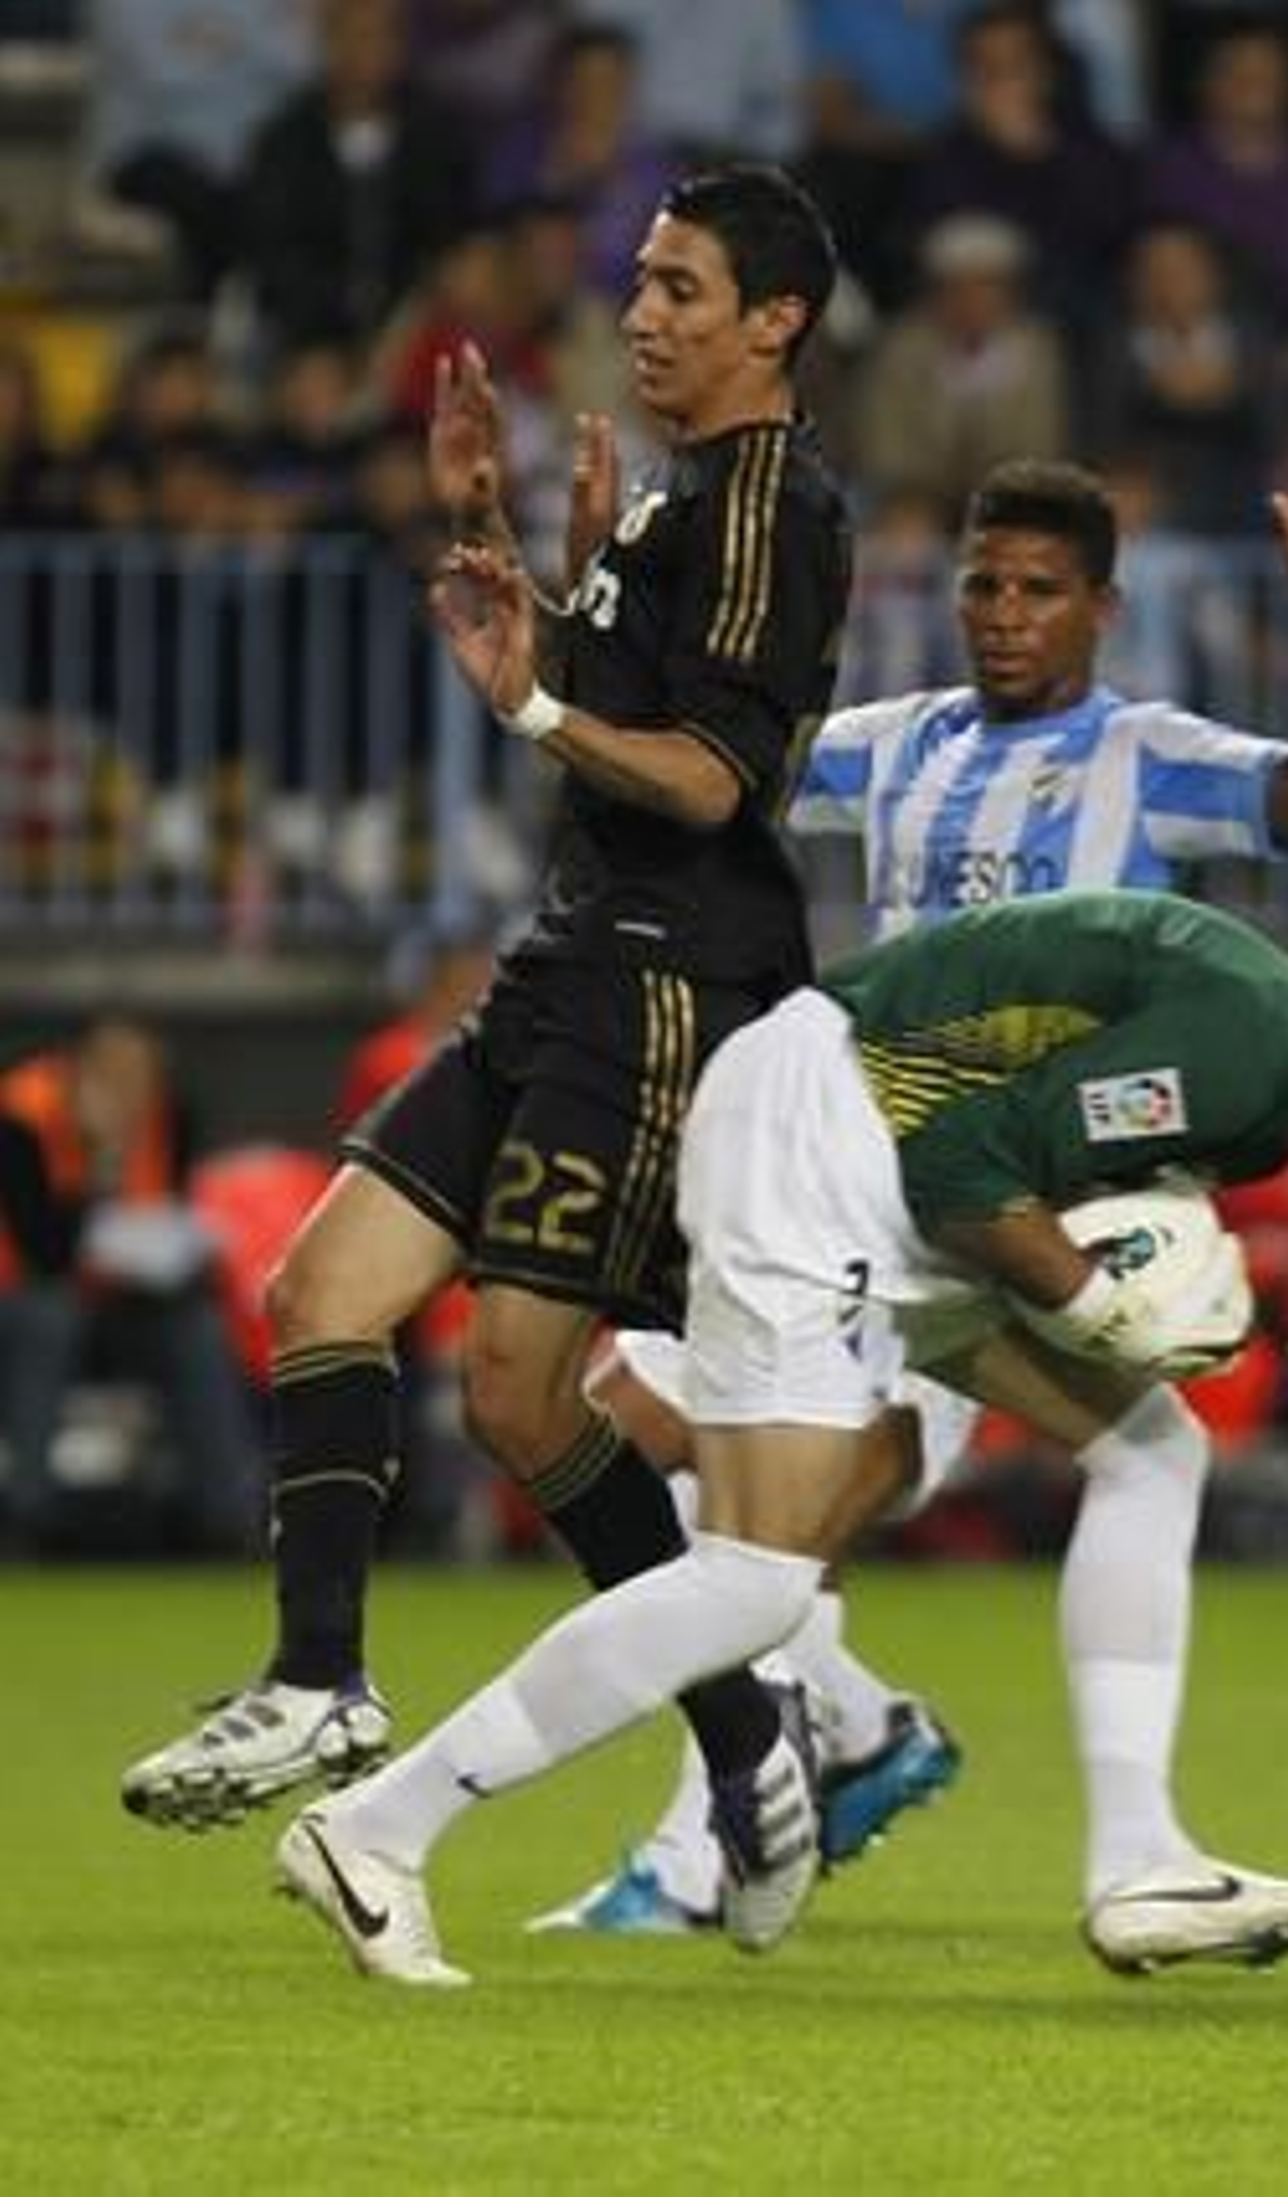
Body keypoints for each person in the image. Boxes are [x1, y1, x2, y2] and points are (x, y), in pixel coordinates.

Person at [271, 891, 1288, 1985]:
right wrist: (1090, 1293)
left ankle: (1140, 1862)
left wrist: (1105, 1278)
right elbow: (965, 1164)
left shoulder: (1278, 1060)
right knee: (758, 1580)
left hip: (874, 1160)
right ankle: (377, 1829)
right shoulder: (1262, 1052)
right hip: (826, 1143)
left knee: (1152, 1449)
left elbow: (1009, 1148)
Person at [536, 433, 1288, 1939]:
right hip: (848, 1166)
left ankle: (712, 1847)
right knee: (654, 1439)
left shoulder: (1156, 756)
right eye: (983, 585)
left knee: (760, 1500)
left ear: (1101, 611)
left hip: (998, 1194)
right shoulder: (898, 742)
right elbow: (701, 756)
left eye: (1040, 590)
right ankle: (860, 1732)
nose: (1005, 613)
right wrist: (613, 579)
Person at [121, 164, 854, 1879]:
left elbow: (714, 774)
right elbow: (619, 704)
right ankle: (319, 1679)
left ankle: (754, 1742)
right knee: (321, 1288)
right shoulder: (677, 506)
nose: (640, 316)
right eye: (643, 285)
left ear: (777, 321)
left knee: (521, 1395)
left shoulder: (769, 506)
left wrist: (530, 693)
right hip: (571, 953)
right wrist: (520, 563)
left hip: (674, 979)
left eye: (682, 289)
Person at [0, 1017, 260, 1555]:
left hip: (126, 1303)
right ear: (78, 1072)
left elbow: (173, 1220)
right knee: (51, 1320)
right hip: (28, 1302)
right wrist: (102, 1159)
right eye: (112, 1073)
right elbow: (44, 1251)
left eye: (140, 1075)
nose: (129, 1089)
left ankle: (226, 1520)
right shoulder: (23, 1112)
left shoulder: (171, 1114)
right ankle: (29, 1518)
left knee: (200, 1330)